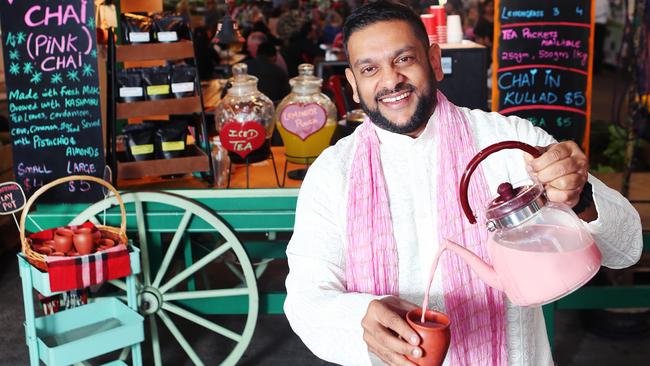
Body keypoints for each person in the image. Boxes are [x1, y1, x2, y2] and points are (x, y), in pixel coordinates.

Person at [283, 2, 643, 366]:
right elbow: (305, 297)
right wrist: (359, 319)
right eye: (370, 68)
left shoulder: (509, 142)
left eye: (404, 59)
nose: (390, 80)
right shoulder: (333, 173)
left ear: (435, 61)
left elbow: (626, 248)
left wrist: (578, 195)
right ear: (354, 85)